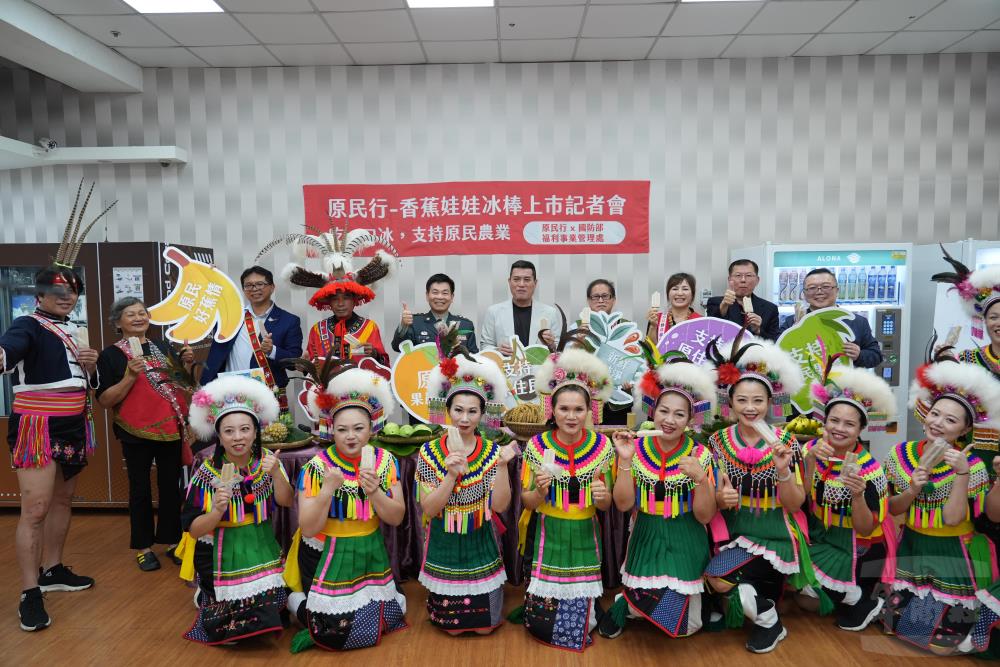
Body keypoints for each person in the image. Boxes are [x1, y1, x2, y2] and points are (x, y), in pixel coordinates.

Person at [1, 185, 114, 632]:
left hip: (74, 424)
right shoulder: (26, 324)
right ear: (40, 295)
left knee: (65, 499)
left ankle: (52, 569)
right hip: (38, 426)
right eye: (57, 292)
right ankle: (29, 592)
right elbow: (9, 351)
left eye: (72, 292)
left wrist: (92, 366)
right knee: (35, 508)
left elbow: (88, 384)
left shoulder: (74, 330)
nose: (66, 298)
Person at [283, 366, 407, 652]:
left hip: (368, 552)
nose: (351, 436)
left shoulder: (385, 461)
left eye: (358, 428)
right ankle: (298, 601)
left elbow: (396, 517)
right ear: (331, 430)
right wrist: (327, 490)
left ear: (372, 428)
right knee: (335, 632)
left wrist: (374, 491)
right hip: (326, 555)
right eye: (342, 429)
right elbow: (309, 528)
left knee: (390, 617)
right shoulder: (316, 467)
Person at [882, 352, 997, 655]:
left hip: (952, 554)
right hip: (913, 548)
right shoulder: (900, 454)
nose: (938, 423)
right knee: (901, 629)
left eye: (950, 420)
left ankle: (974, 620)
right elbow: (892, 510)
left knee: (938, 646)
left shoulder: (973, 466)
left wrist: (961, 474)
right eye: (935, 414)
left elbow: (952, 519)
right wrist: (911, 490)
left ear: (964, 430)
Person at [599, 352, 717, 639]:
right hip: (646, 534)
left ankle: (636, 605)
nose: (670, 420)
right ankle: (629, 605)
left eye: (679, 414)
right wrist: (625, 460)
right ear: (653, 411)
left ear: (690, 419)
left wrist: (701, 480)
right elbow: (623, 504)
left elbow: (705, 516)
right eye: (664, 411)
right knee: (658, 610)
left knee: (687, 627)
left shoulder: (700, 454)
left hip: (686, 536)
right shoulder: (636, 448)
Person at [702, 336, 806, 654]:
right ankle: (762, 609)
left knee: (717, 579)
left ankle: (768, 619)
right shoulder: (718, 441)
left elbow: (795, 504)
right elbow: (714, 494)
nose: (750, 408)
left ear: (770, 402)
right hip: (734, 532)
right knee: (709, 581)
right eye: (743, 400)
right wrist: (720, 499)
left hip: (774, 534)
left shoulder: (786, 442)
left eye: (758, 400)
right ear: (730, 402)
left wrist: (783, 471)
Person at [176, 375, 294, 645]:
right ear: (219, 435)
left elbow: (287, 501)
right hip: (221, 551)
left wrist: (276, 474)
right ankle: (207, 592)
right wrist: (216, 512)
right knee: (235, 631)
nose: (238, 437)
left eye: (245, 429)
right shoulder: (206, 473)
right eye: (229, 431)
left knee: (274, 619)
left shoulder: (267, 461)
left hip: (260, 544)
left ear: (256, 431)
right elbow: (194, 530)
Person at [417, 332, 517, 634]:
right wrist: (450, 475)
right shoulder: (429, 452)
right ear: (447, 410)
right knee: (452, 627)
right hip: (444, 541)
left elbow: (500, 506)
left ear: (482, 414)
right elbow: (429, 509)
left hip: (481, 540)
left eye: (472, 411)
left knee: (486, 626)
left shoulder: (492, 451)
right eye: (458, 410)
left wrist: (502, 466)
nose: (464, 418)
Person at [518, 347, 615, 651]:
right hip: (548, 535)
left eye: (578, 409)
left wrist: (602, 496)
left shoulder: (603, 446)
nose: (571, 416)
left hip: (585, 534)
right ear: (552, 409)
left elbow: (605, 505)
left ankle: (589, 610)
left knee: (580, 620)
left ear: (589, 411)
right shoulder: (537, 446)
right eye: (564, 409)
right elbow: (527, 502)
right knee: (541, 622)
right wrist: (539, 492)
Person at [95, 297, 195, 572]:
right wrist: (129, 376)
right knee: (139, 489)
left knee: (171, 487)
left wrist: (186, 364)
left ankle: (173, 540)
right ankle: (143, 547)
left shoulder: (163, 348)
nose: (139, 318)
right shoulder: (110, 356)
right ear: (118, 322)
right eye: (131, 314)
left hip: (170, 428)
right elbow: (105, 400)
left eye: (142, 313)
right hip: (134, 430)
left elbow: (182, 385)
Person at [798, 365, 896, 632]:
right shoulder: (810, 449)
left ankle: (861, 597)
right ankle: (850, 596)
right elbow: (801, 497)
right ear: (824, 420)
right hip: (821, 534)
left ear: (861, 428)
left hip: (856, 545)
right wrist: (809, 462)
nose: (839, 429)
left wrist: (858, 495)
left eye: (849, 424)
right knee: (804, 601)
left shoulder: (870, 471)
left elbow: (865, 528)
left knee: (801, 579)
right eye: (834, 420)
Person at [257, 229, 396, 369]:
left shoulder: (369, 327)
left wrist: (374, 354)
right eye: (335, 298)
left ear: (355, 299)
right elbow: (312, 366)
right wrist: (305, 365)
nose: (340, 303)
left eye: (346, 297)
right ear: (328, 302)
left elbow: (384, 365)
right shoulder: (318, 330)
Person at [200, 266, 303, 394]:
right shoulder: (231, 317)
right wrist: (211, 278)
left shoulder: (289, 321)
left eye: (260, 284)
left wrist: (272, 350)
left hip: (266, 393)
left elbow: (294, 361)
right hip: (230, 392)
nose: (254, 289)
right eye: (248, 285)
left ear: (272, 287)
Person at [779, 268, 882, 369]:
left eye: (826, 286)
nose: (819, 292)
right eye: (812, 288)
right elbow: (777, 351)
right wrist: (794, 331)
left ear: (837, 290)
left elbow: (876, 356)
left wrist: (859, 355)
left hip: (844, 379)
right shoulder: (792, 321)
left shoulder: (857, 321)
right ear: (804, 293)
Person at [580, 279, 633, 426]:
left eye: (605, 296)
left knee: (618, 435)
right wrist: (579, 341)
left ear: (613, 299)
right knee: (588, 438)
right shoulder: (579, 327)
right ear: (589, 301)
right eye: (595, 297)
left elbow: (636, 357)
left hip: (619, 397)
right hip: (587, 399)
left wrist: (632, 378)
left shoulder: (625, 326)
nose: (600, 300)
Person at [480, 260, 561, 354]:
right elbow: (484, 346)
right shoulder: (493, 312)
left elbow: (558, 349)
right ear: (509, 282)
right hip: (505, 363)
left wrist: (551, 345)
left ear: (535, 283)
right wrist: (497, 351)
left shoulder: (550, 313)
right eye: (516, 279)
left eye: (527, 279)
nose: (521, 284)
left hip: (538, 364)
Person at [391, 273, 478, 353]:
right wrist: (403, 326)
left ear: (452, 297)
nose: (440, 297)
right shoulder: (414, 323)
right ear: (427, 296)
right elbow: (397, 347)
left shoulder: (465, 325)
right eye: (435, 292)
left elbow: (474, 358)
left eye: (445, 293)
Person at [706, 260, 780, 341]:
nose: (743, 280)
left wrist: (758, 330)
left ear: (757, 280)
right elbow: (710, 332)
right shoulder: (715, 302)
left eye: (748, 275)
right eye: (738, 275)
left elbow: (774, 342)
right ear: (729, 279)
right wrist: (723, 307)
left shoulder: (770, 309)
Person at [646, 273, 702, 343]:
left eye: (685, 289)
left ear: (692, 295)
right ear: (668, 293)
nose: (680, 293)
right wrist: (653, 326)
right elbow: (650, 348)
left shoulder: (701, 321)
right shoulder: (657, 319)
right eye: (675, 289)